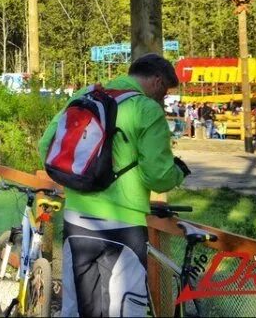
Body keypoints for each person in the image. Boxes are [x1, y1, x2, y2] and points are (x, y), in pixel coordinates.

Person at [38, 54, 189, 317]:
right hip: (123, 223)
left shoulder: (86, 95)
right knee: (124, 307)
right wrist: (178, 172)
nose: (163, 99)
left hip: (77, 218)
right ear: (156, 81)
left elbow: (45, 147)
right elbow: (158, 176)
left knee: (76, 307)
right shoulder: (146, 109)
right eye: (164, 92)